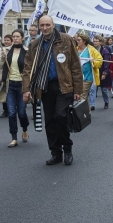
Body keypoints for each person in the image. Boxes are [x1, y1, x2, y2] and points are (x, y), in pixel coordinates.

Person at [22, 15, 83, 166]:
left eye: (47, 25)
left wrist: (78, 89)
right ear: (38, 26)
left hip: (64, 85)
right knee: (49, 120)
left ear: (53, 24)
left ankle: (67, 149)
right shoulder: (35, 44)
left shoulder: (66, 39)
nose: (45, 28)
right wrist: (26, 89)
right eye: (42, 25)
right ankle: (55, 153)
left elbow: (75, 65)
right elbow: (27, 68)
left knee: (61, 116)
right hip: (44, 87)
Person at [0, 29, 29, 148]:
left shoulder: (26, 52)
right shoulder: (7, 51)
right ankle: (14, 138)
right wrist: (1, 58)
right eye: (13, 36)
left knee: (21, 112)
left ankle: (25, 129)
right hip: (10, 84)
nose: (15, 38)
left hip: (22, 86)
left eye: (17, 36)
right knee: (11, 113)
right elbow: (1, 66)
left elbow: (29, 69)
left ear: (22, 38)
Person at [74, 33, 102, 113]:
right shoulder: (75, 49)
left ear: (84, 41)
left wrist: (93, 61)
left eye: (79, 40)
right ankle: (87, 112)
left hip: (88, 77)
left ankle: (80, 114)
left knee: (81, 95)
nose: (77, 41)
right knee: (84, 95)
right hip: (77, 77)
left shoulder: (91, 50)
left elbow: (100, 61)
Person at [93, 35, 112, 109]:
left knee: (104, 89)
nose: (95, 43)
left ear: (100, 42)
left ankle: (106, 102)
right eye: (94, 41)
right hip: (94, 71)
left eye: (97, 41)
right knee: (93, 89)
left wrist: (104, 73)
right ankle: (92, 104)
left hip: (102, 71)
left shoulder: (105, 51)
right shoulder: (91, 49)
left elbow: (106, 63)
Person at [0, 35, 13, 118]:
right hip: (3, 73)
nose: (6, 42)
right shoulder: (0, 49)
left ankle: (11, 109)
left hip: (11, 73)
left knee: (10, 91)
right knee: (3, 91)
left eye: (8, 40)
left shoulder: (13, 49)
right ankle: (5, 110)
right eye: (5, 40)